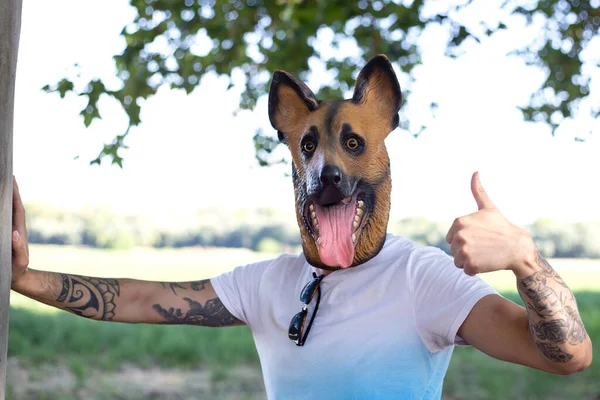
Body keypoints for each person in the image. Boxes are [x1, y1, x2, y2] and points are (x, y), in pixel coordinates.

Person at [11, 55, 592, 400]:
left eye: (352, 145)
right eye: (309, 147)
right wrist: (23, 278)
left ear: (383, 142)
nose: (328, 166)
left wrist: (524, 258)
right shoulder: (266, 283)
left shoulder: (424, 279)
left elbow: (567, 357)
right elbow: (141, 298)